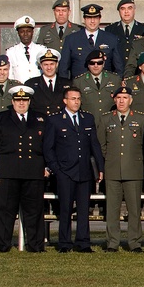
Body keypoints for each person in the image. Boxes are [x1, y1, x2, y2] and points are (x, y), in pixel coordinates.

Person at [0, 86, 48, 252]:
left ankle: (35, 245)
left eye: (25, 100)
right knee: (4, 210)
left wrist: (48, 166)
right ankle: (1, 245)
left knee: (34, 211)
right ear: (12, 101)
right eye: (18, 100)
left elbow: (48, 145)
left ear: (29, 102)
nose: (22, 103)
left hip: (33, 170)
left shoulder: (40, 119)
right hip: (7, 170)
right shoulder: (0, 118)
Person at [44, 85, 104, 253]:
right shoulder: (55, 120)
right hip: (65, 172)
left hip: (84, 171)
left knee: (84, 209)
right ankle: (64, 242)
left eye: (78, 99)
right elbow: (48, 148)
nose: (76, 102)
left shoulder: (87, 119)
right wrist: (56, 168)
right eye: (73, 99)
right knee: (66, 209)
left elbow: (94, 145)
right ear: (65, 101)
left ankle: (83, 242)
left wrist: (100, 167)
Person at [98, 86, 144, 253]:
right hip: (112, 170)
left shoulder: (141, 120)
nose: (121, 101)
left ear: (131, 100)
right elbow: (102, 145)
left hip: (133, 170)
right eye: (119, 97)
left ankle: (134, 243)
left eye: (125, 98)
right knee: (112, 210)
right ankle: (112, 243)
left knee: (134, 210)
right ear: (114, 99)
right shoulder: (106, 119)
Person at [58, 3, 124, 78]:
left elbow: (119, 68)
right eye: (89, 18)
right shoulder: (71, 39)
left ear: (100, 19)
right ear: (84, 19)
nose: (92, 21)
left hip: (105, 87)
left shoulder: (111, 39)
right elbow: (63, 68)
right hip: (79, 87)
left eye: (95, 18)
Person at [25, 49, 72, 117]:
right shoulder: (31, 84)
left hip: (62, 122)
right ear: (41, 65)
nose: (49, 68)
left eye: (52, 64)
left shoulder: (67, 83)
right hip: (40, 123)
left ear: (57, 64)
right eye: (45, 64)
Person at [75, 49, 120, 118]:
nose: (96, 66)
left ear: (103, 64)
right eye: (92, 63)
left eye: (99, 63)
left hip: (111, 122)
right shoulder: (79, 82)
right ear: (88, 64)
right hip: (89, 121)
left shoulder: (115, 79)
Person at [6, 15, 47, 83]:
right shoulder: (11, 52)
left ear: (32, 32)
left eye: (28, 31)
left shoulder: (41, 50)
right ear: (18, 33)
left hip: (38, 90)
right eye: (22, 31)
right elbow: (10, 75)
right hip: (19, 90)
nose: (25, 34)